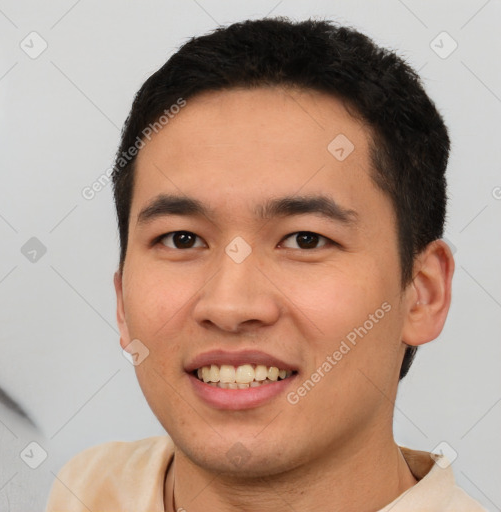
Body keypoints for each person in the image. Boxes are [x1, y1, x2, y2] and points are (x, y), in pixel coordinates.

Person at [46, 17, 486, 511]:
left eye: (304, 239)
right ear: (122, 299)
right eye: (182, 238)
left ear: (423, 293)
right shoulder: (86, 490)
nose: (230, 306)